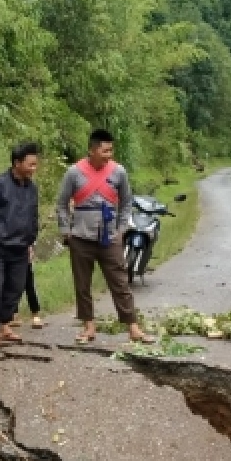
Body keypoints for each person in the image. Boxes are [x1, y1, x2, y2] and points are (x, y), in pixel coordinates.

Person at [57, 129, 154, 345]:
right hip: (81, 236)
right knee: (82, 284)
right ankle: (88, 326)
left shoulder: (119, 172)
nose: (109, 154)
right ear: (92, 150)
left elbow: (127, 202)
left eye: (111, 150)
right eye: (105, 150)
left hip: (109, 237)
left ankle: (133, 327)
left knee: (120, 281)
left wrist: (121, 229)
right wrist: (66, 231)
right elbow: (62, 203)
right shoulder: (74, 172)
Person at [0, 142, 42, 349]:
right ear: (17, 163)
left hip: (20, 248)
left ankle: (5, 324)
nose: (34, 168)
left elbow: (33, 216)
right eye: (30, 164)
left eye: (35, 164)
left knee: (15, 288)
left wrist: (30, 242)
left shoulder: (32, 188)